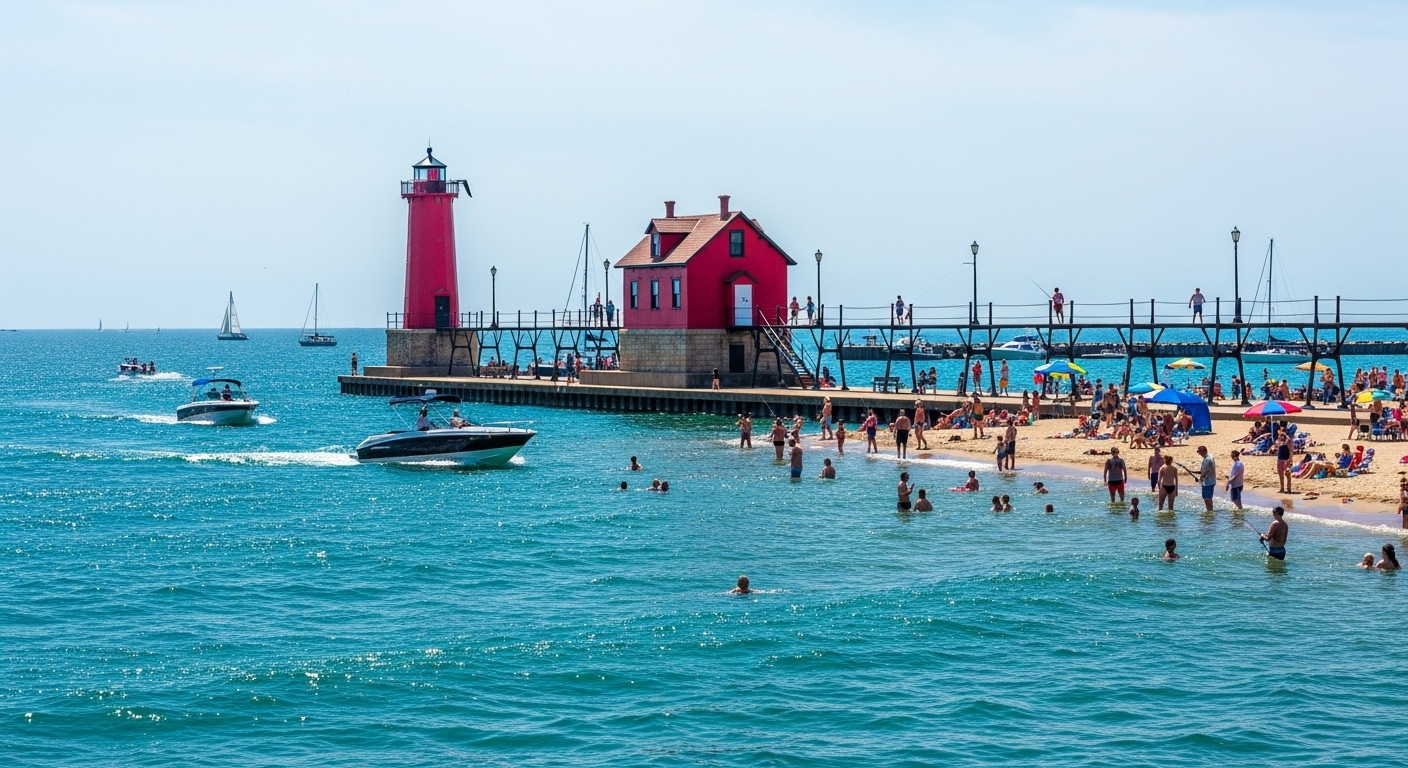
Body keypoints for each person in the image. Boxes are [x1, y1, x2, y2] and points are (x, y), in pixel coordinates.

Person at [1197, 445, 1217, 512]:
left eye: (1199, 452)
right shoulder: (1211, 457)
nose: (1199, 454)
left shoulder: (1207, 460)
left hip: (1208, 482)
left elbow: (1205, 472)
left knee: (1207, 498)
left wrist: (1200, 480)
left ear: (1203, 451)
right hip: (1212, 481)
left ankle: (1210, 511)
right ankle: (1210, 511)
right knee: (1208, 497)